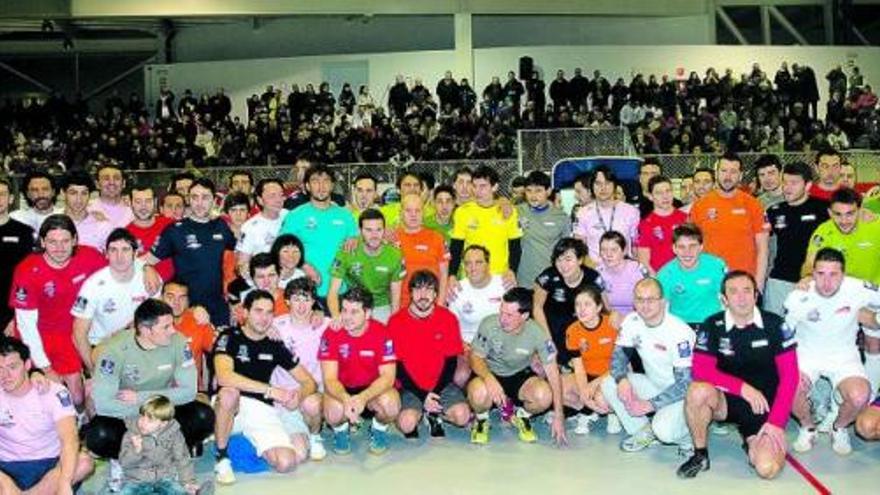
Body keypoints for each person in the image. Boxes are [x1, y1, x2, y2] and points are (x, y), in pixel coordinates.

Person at [677, 271, 798, 480]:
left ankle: (753, 442)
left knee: (766, 468)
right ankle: (700, 454)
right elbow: (701, 370)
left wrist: (776, 423)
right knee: (697, 391)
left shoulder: (775, 324)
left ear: (756, 295)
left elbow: (790, 377)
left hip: (764, 406)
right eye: (733, 292)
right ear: (723, 299)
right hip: (728, 401)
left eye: (747, 291)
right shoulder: (712, 325)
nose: (741, 297)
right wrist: (743, 388)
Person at [85, 299, 214, 491]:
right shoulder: (114, 350)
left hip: (161, 411)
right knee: (99, 434)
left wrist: (142, 398)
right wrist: (142, 420)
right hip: (126, 415)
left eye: (172, 324)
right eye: (166, 327)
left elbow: (188, 392)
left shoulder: (178, 342)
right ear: (145, 330)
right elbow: (104, 403)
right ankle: (124, 461)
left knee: (203, 416)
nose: (173, 330)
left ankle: (167, 459)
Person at [212, 290, 318, 484]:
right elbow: (224, 377)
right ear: (245, 312)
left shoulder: (275, 344)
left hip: (260, 409)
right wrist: (269, 390)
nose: (264, 318)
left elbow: (309, 381)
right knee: (229, 394)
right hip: (230, 407)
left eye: (269, 312)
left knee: (287, 463)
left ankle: (239, 443)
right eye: (258, 311)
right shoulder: (229, 336)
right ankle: (221, 455)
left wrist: (298, 396)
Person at [785, 248, 880, 455]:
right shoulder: (798, 296)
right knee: (788, 386)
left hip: (843, 355)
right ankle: (807, 427)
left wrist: (875, 320)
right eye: (820, 274)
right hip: (807, 354)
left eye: (834, 274)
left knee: (859, 396)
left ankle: (840, 427)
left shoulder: (858, 288)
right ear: (812, 273)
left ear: (843, 275)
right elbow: (785, 336)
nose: (826, 282)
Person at [9, 214, 106, 407]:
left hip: (73, 332)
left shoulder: (90, 256)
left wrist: (145, 268)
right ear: (42, 241)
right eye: (52, 242)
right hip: (38, 332)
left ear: (75, 240)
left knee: (77, 397)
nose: (60, 248)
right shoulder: (27, 270)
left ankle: (79, 422)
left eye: (65, 241)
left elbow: (120, 269)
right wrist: (46, 368)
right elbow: (26, 326)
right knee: (52, 394)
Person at [600, 278, 695, 453]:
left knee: (664, 431)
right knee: (609, 383)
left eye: (651, 300)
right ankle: (643, 431)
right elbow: (618, 358)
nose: (645, 305)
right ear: (634, 302)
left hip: (682, 396)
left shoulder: (679, 332)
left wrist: (651, 404)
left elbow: (685, 383)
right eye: (640, 299)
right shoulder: (631, 321)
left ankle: (689, 435)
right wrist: (622, 379)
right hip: (654, 384)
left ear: (663, 302)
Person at [467, 287, 567, 445]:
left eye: (509, 315)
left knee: (544, 396)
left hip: (519, 375)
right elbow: (475, 357)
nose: (502, 319)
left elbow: (553, 373)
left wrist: (559, 415)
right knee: (478, 394)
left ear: (525, 316)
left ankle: (521, 415)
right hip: (490, 371)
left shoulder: (538, 333)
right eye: (501, 312)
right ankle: (482, 419)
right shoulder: (488, 324)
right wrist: (489, 378)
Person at [0, 338, 94, 495]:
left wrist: (64, 483)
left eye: (12, 367)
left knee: (84, 462)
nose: (5, 375)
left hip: (49, 464)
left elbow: (69, 439)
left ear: (27, 365)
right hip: (7, 465)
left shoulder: (54, 392)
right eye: (0, 368)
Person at [390, 271, 471, 438]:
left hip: (441, 384)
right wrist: (423, 395)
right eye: (418, 289)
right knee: (407, 424)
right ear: (410, 293)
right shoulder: (396, 321)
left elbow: (451, 362)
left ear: (435, 294)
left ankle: (434, 414)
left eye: (429, 290)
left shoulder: (448, 318)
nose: (423, 295)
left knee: (463, 417)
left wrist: (434, 393)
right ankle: (419, 414)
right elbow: (397, 367)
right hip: (409, 388)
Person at [319, 287, 399, 456]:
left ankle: (378, 428)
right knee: (333, 413)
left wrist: (362, 398)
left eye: (354, 312)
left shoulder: (382, 333)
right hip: (342, 388)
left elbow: (388, 377)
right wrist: (346, 399)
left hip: (371, 389)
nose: (347, 317)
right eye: (344, 310)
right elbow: (330, 379)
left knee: (391, 405)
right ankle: (341, 430)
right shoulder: (332, 333)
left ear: (368, 313)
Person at [148, 177, 237, 326]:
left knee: (220, 348)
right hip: (186, 309)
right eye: (195, 197)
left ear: (214, 200)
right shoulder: (175, 230)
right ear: (189, 199)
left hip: (218, 307)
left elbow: (237, 258)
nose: (199, 203)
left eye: (205, 197)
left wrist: (235, 301)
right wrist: (147, 268)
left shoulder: (222, 226)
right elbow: (147, 260)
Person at [72, 229, 157, 373]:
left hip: (140, 346)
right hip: (103, 347)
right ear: (106, 253)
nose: (119, 256)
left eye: (125, 249)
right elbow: (78, 333)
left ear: (135, 254)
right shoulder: (93, 285)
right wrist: (93, 370)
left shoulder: (150, 279)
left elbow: (159, 320)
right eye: (113, 250)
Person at [689, 152, 769, 287]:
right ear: (716, 173)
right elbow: (691, 246)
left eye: (733, 172)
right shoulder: (700, 206)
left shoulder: (753, 204)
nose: (728, 176)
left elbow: (763, 248)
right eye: (724, 170)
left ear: (740, 175)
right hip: (709, 281)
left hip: (744, 282)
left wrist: (758, 285)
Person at [280, 164, 358, 299]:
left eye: (326, 181)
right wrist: (304, 265)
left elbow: (358, 243)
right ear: (307, 186)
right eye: (315, 181)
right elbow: (281, 249)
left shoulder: (346, 216)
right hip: (307, 293)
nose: (321, 187)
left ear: (332, 185)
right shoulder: (295, 216)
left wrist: (356, 239)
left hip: (342, 291)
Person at [271, 278, 328, 461]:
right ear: (287, 301)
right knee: (300, 454)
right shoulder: (275, 326)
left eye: (306, 299)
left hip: (314, 390)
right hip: (283, 395)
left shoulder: (325, 324)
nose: (301, 305)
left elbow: (350, 322)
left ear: (313, 302)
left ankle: (315, 435)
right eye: (296, 299)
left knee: (310, 405)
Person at [763, 162, 829, 315]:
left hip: (813, 281)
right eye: (785, 182)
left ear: (807, 185)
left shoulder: (824, 209)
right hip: (779, 280)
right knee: (777, 329)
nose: (787, 187)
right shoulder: (774, 211)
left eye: (794, 183)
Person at [533, 237, 606, 364]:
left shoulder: (593, 278)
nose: (563, 265)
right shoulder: (549, 276)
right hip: (551, 327)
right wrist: (547, 340)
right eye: (559, 259)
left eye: (568, 259)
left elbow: (604, 309)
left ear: (580, 260)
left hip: (580, 328)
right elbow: (537, 307)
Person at [561, 285, 621, 435]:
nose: (581, 309)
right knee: (558, 387)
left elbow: (621, 364)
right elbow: (578, 367)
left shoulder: (612, 325)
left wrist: (595, 383)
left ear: (599, 307)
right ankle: (587, 412)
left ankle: (613, 414)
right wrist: (584, 392)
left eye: (587, 304)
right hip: (586, 374)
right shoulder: (573, 330)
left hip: (612, 374)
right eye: (578, 304)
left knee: (601, 398)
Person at [448, 165, 522, 287]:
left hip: (500, 278)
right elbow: (456, 247)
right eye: (475, 186)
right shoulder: (462, 212)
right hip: (471, 277)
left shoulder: (508, 211)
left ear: (495, 187)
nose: (477, 191)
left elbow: (515, 246)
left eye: (483, 186)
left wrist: (512, 270)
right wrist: (452, 275)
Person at [327, 209, 404, 324]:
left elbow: (396, 297)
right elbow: (333, 292)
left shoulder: (395, 255)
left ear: (384, 230)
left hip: (382, 306)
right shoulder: (346, 251)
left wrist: (394, 323)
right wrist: (336, 317)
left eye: (378, 230)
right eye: (368, 230)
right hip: (354, 304)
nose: (374, 235)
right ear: (360, 231)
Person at [118, 395, 201, 495]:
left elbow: (182, 459)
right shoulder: (131, 434)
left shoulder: (174, 434)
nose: (143, 422)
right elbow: (124, 463)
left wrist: (188, 482)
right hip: (136, 480)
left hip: (164, 479)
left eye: (150, 420)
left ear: (163, 424)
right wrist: (136, 451)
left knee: (180, 491)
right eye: (142, 416)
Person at [803, 188, 880, 286]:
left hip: (875, 292)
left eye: (850, 214)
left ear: (860, 211)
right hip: (840, 292)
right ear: (830, 213)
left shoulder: (875, 225)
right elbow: (810, 263)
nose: (844, 221)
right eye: (838, 214)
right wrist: (808, 276)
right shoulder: (823, 231)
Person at [656, 224, 726, 328]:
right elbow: (659, 309)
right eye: (681, 247)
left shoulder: (717, 265)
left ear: (701, 247)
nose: (687, 252)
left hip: (712, 324)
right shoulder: (665, 273)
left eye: (692, 246)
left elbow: (729, 298)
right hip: (680, 326)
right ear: (674, 248)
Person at [573, 166, 640, 264]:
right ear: (592, 186)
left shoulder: (631, 211)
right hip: (595, 269)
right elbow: (579, 248)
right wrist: (595, 269)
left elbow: (636, 246)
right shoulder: (583, 213)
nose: (603, 188)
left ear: (615, 186)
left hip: (624, 269)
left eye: (607, 183)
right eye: (598, 183)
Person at [516, 171, 570, 289]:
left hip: (552, 280)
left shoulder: (561, 217)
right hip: (525, 280)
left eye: (538, 190)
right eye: (529, 190)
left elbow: (567, 251)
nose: (533, 196)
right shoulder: (517, 212)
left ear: (548, 191)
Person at [396, 194, 448, 309]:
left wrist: (440, 304)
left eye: (417, 210)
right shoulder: (392, 239)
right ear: (401, 212)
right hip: (402, 306)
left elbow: (444, 274)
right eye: (408, 210)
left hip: (432, 306)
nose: (413, 215)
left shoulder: (437, 238)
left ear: (423, 212)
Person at [162, 281, 214, 394]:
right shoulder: (149, 324)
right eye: (170, 297)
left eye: (182, 298)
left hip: (192, 392)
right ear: (161, 298)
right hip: (159, 390)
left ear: (188, 301)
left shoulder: (199, 321)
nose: (176, 302)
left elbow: (219, 350)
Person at [235, 178, 288, 279]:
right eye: (272, 195)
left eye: (281, 195)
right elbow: (242, 263)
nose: (278, 200)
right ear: (260, 200)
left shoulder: (290, 216)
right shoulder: (249, 227)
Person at [0, 178, 34, 333]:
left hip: (11, 310)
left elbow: (27, 277)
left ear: (11, 199)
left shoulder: (24, 232)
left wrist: (16, 316)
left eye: (2, 194)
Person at [636, 175, 688, 273]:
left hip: (684, 277)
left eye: (668, 191)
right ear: (650, 196)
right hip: (659, 279)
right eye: (659, 193)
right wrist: (657, 282)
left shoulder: (686, 219)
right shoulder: (645, 225)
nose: (665, 196)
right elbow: (644, 261)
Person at [126, 185, 174, 282]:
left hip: (173, 289)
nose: (143, 206)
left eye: (148, 201)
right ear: (130, 203)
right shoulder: (125, 235)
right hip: (141, 289)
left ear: (155, 202)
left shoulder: (170, 225)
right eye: (138, 202)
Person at [60, 170, 113, 252]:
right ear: (63, 193)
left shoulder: (103, 226)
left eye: (84, 193)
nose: (79, 199)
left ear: (90, 195)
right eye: (73, 193)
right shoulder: (50, 222)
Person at [597, 231, 648, 315]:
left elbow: (647, 301)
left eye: (614, 250)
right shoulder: (597, 273)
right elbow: (601, 307)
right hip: (609, 318)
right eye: (604, 250)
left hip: (637, 317)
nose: (608, 254)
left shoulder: (638, 269)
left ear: (624, 251)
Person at [89, 164, 134, 229]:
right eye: (106, 179)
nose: (112, 182)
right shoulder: (88, 210)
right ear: (97, 184)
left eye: (116, 178)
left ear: (124, 183)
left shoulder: (134, 210)